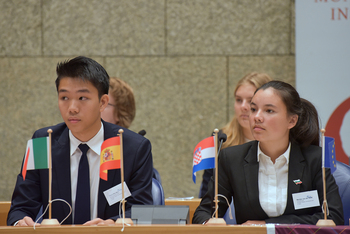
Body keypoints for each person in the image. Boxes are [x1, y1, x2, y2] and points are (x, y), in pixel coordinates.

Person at [7, 56, 153, 226]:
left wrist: (112, 225)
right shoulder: (42, 144)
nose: (72, 108)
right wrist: (20, 222)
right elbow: (20, 208)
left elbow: (141, 210)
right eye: (64, 98)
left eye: (82, 98)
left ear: (102, 102)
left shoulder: (133, 147)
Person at [193, 80, 344, 225]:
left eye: (269, 110)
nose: (257, 117)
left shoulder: (315, 159)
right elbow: (203, 213)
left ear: (292, 121)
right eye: (254, 109)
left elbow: (333, 217)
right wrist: (210, 223)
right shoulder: (231, 159)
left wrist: (267, 225)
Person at [199, 72, 272, 198]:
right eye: (239, 100)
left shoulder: (281, 141)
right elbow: (207, 194)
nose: (243, 106)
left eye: (251, 101)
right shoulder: (221, 140)